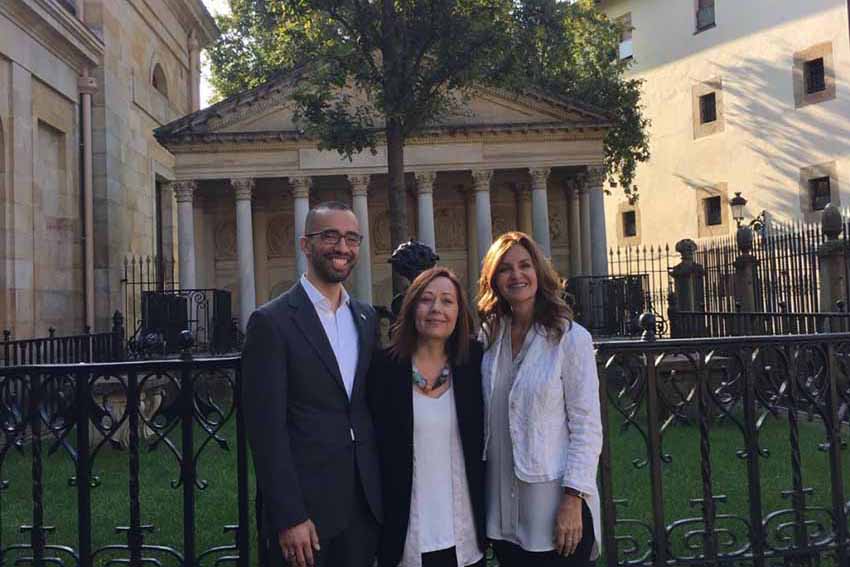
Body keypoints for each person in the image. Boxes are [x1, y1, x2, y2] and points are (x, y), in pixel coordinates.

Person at [241, 201, 382, 567]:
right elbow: (265, 430)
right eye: (330, 236)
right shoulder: (271, 322)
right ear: (306, 245)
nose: (342, 247)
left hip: (363, 506)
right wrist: (289, 515)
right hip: (306, 514)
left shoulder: (365, 318)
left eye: (352, 238)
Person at [477, 231, 603, 567]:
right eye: (505, 269)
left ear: (539, 273)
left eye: (524, 265)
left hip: (552, 505)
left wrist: (573, 498)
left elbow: (587, 427)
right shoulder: (489, 338)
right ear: (494, 280)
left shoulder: (570, 339)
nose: (516, 275)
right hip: (502, 504)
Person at [368, 267, 486, 567]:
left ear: (459, 312)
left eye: (447, 301)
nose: (437, 309)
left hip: (464, 532)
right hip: (407, 533)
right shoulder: (384, 369)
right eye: (427, 300)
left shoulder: (474, 362)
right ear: (411, 308)